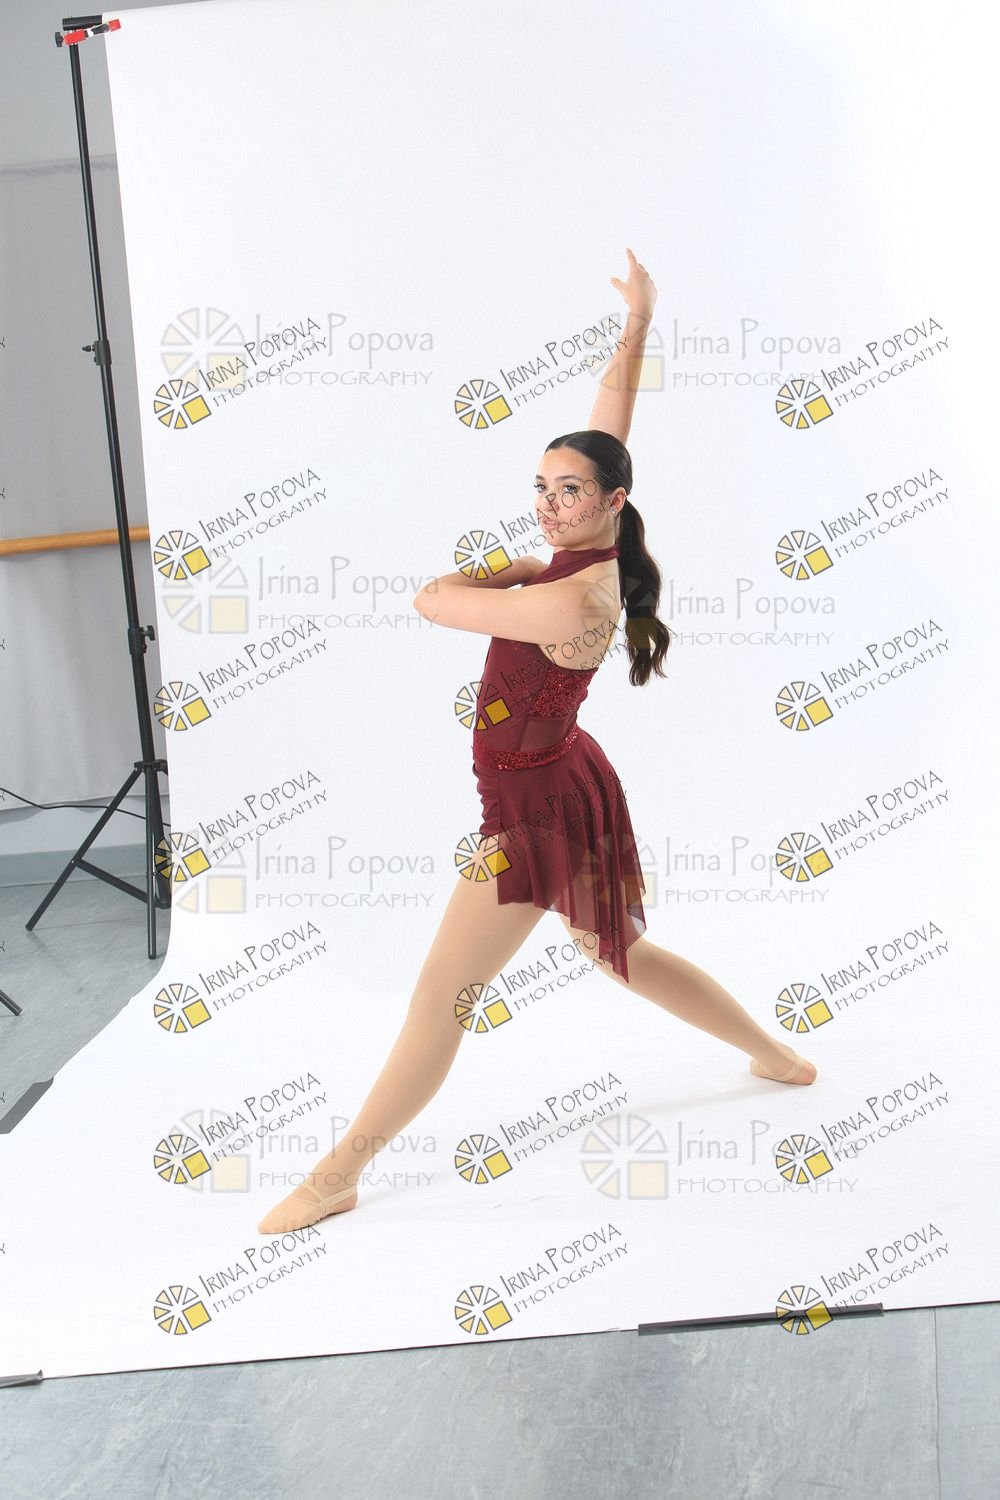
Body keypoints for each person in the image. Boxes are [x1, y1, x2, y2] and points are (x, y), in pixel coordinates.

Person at [257, 250, 815, 1236]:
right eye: (542, 486)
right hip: (560, 773)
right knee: (617, 952)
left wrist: (508, 569)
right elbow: (610, 424)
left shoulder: (567, 595)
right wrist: (638, 322)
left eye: (568, 491)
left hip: (530, 813)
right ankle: (775, 1056)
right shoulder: (593, 541)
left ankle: (339, 1172)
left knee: (442, 996)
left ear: (611, 503)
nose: (549, 503)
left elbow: (431, 600)